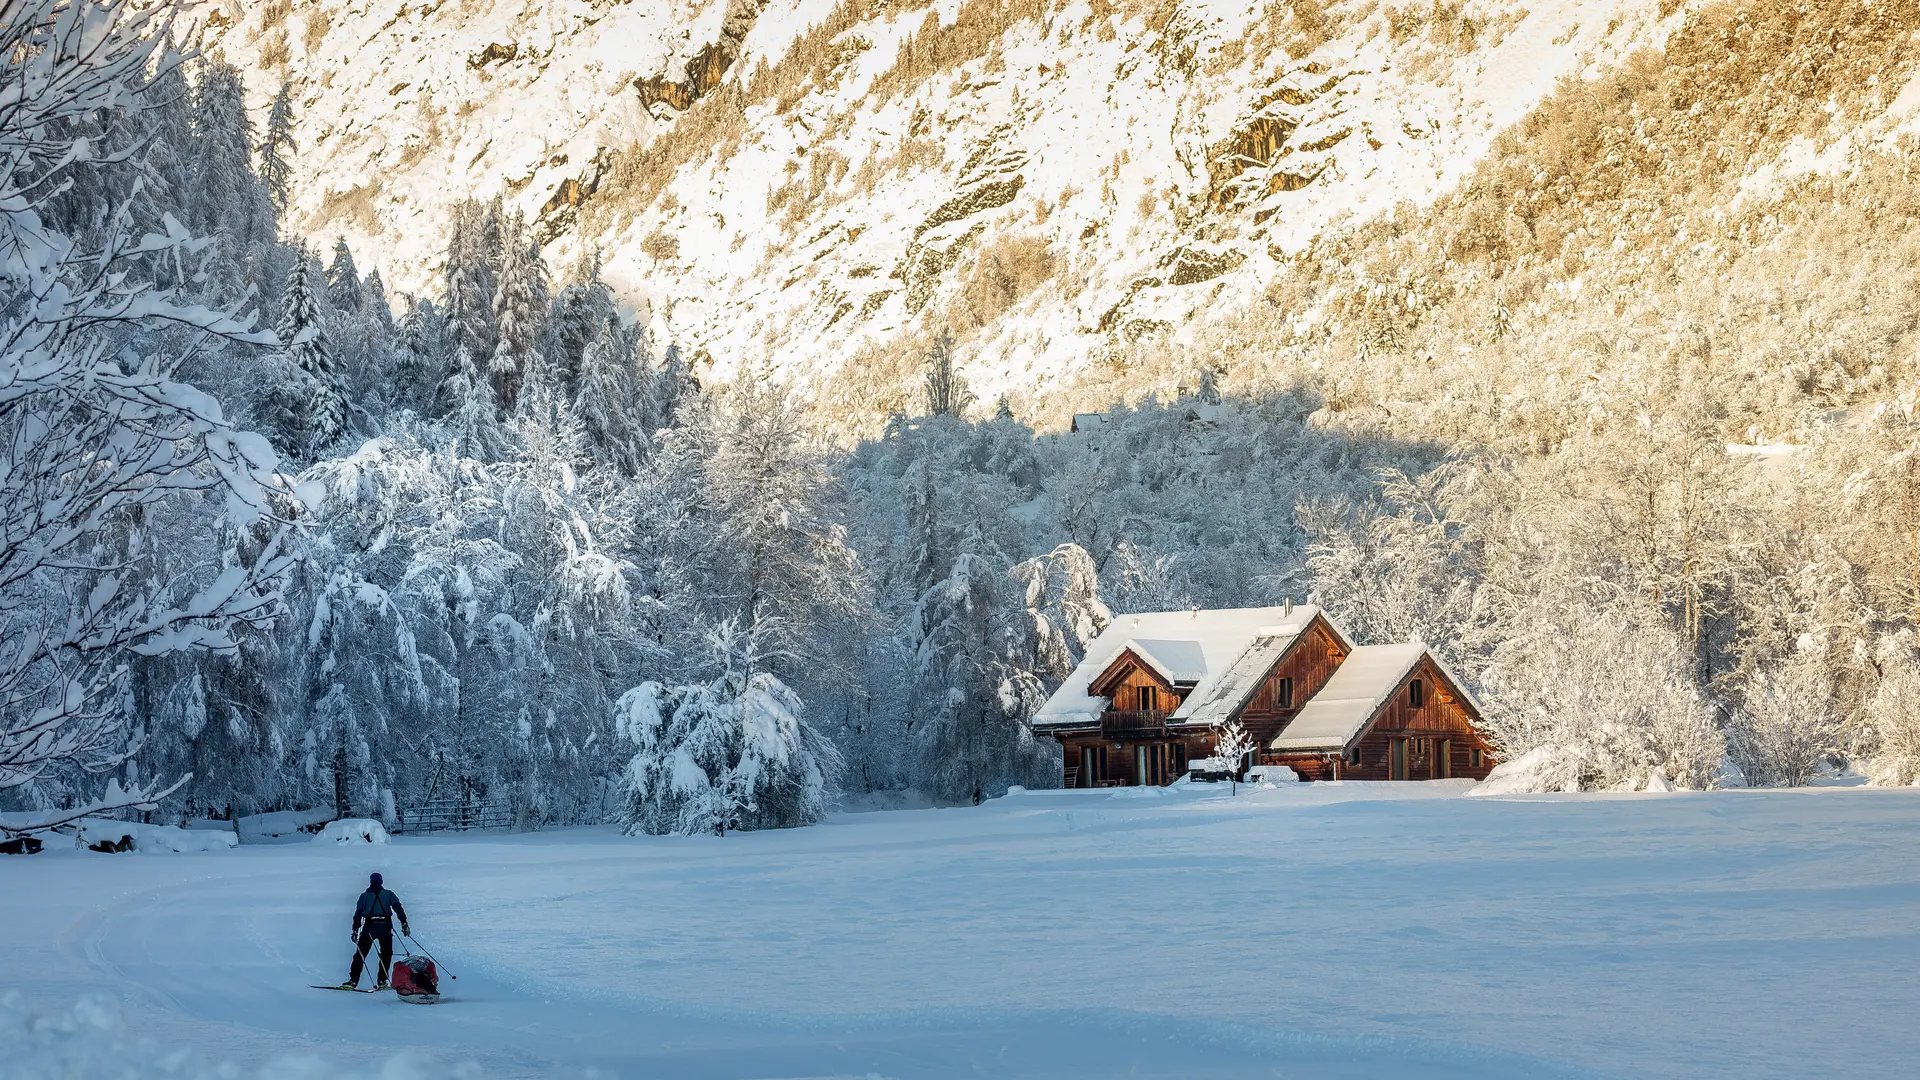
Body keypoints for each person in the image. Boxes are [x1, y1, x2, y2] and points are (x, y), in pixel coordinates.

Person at [338, 872, 410, 990]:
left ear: (371, 882)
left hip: (369, 927)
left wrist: (355, 930)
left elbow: (358, 915)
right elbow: (398, 908)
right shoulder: (389, 894)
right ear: (381, 882)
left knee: (360, 954)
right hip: (385, 927)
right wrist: (404, 923)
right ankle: (382, 980)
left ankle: (353, 981)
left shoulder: (364, 896)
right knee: (386, 954)